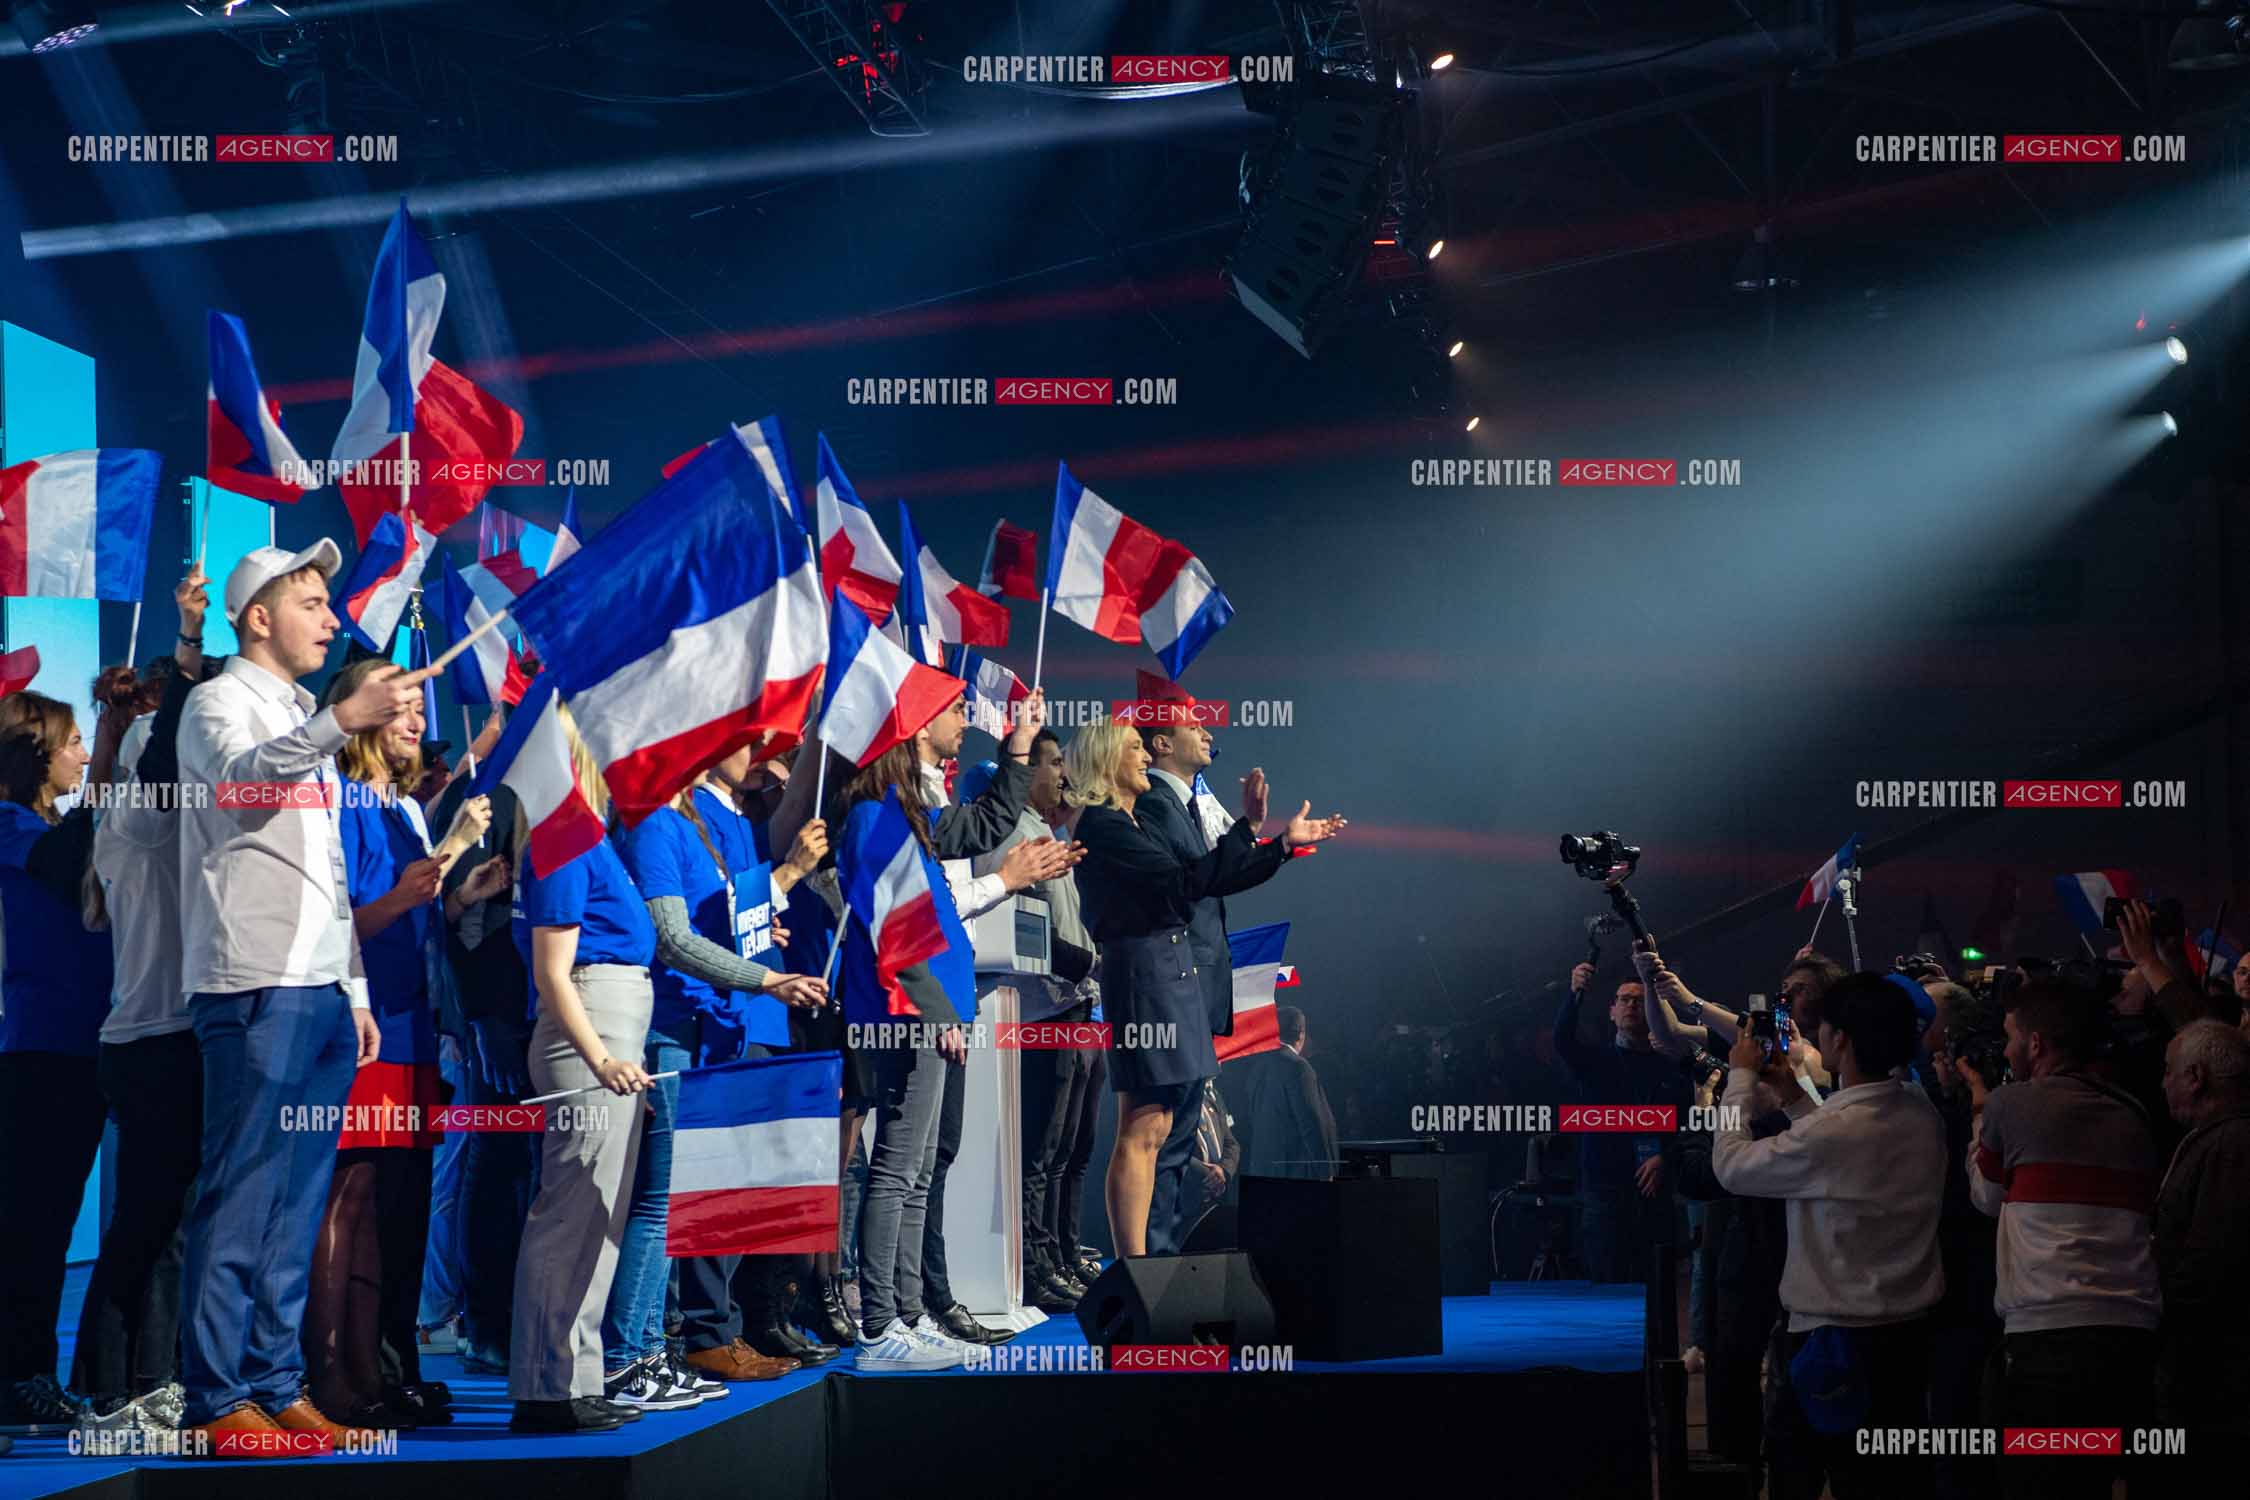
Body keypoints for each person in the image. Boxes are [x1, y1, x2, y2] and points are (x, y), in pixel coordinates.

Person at [173, 540, 419, 1448]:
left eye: (328, 601)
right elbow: (243, 783)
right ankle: (215, 1396)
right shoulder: (216, 702)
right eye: (312, 602)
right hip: (251, 982)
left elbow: (326, 870)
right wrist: (336, 722)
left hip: (317, 986)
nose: (331, 617)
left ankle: (277, 1384)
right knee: (241, 1191)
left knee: (298, 1198)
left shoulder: (303, 722)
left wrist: (353, 985)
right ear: (258, 617)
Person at [308, 657, 506, 1430]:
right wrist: (419, 885)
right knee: (349, 1201)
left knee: (396, 1211)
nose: (418, 721)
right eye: (402, 707)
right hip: (368, 1032)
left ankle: (381, 1371)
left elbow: (413, 921)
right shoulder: (344, 801)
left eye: (420, 706)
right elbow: (345, 924)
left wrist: (457, 900)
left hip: (416, 1032)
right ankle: (333, 1374)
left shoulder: (403, 808)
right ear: (358, 714)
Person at [1065, 720, 1344, 1259]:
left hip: (1166, 974)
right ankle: (1136, 1269)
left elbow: (1195, 878)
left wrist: (1274, 843)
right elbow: (1185, 881)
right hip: (1145, 979)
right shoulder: (1104, 824)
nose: (1143, 756)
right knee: (1144, 1126)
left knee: (1160, 1124)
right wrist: (1257, 837)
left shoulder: (1126, 821)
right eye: (1132, 750)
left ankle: (1149, 1266)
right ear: (1105, 762)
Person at [612, 746, 830, 1395]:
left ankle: (681, 1341)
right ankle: (647, 1349)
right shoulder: (658, 821)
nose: (762, 754)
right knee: (665, 1202)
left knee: (718, 1193)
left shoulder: (719, 820)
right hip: (684, 1026)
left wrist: (763, 930)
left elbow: (729, 917)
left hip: (731, 1020)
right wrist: (786, 882)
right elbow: (674, 937)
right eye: (745, 739)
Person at [71, 569, 217, 1438]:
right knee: (147, 1222)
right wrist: (190, 642)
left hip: (165, 1037)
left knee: (160, 1220)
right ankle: (120, 1387)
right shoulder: (137, 809)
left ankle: (135, 1380)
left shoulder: (147, 808)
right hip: (151, 1040)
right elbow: (166, 758)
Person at [1712, 972, 1946, 1499]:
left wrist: (1740, 1081)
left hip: (1834, 1339)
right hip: (1907, 1337)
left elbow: (1732, 1167)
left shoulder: (1836, 1132)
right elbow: (1835, 1147)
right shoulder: (1918, 1110)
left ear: (1840, 1038)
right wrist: (1794, 1095)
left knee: (1809, 1474)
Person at [507, 703, 661, 1435]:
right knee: (571, 1214)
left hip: (613, 1024)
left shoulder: (589, 835)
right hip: (589, 1031)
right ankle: (543, 1384)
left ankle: (577, 1374)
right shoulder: (563, 838)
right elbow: (553, 972)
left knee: (598, 1217)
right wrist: (600, 1058)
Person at [1957, 977, 2161, 1500]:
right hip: (2132, 1337)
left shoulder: (2011, 1104)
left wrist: (1980, 1110)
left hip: (2048, 1336)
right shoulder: (2134, 1113)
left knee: (2040, 1479)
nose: (2004, 1049)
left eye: (2010, 1037)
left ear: (2036, 1044)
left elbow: (1987, 1195)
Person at [913, 735, 1078, 1345]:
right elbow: (939, 909)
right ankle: (906, 1306)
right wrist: (1007, 880)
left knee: (941, 1157)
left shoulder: (941, 816)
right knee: (906, 1170)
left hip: (961, 1001)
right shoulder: (910, 816)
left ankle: (929, 1297)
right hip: (924, 1007)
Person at [0, 682, 124, 1431]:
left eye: (86, 742)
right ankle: (20, 1378)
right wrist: (109, 760)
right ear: (35, 753)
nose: (80, 753)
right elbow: (59, 860)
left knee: (48, 1217)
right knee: (33, 1224)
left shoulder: (46, 821)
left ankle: (32, 1374)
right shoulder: (10, 825)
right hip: (40, 1046)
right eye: (73, 742)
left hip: (84, 1041)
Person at [964, 733, 1105, 1314]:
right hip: (1039, 1005)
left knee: (1071, 1147)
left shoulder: (1053, 832)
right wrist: (1080, 958)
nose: (1063, 774)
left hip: (1074, 1001)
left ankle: (1060, 1251)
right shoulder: (1011, 833)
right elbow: (1018, 919)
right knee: (1041, 1149)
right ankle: (1037, 1262)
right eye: (1052, 763)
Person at [1127, 710, 1267, 1253]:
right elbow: (1197, 880)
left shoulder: (1183, 803)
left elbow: (1217, 876)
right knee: (1162, 1133)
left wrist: (1271, 843)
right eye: (1194, 726)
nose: (1209, 734)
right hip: (1173, 982)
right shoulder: (1159, 804)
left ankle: (1166, 1259)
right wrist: (1252, 834)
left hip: (1191, 981)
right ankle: (1155, 1262)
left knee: (1177, 1130)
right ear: (1162, 742)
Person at [2151, 1019, 2250, 1497]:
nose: (2162, 1082)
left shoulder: (2232, 1146)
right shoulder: (2221, 1139)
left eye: (2169, 1071)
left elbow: (2213, 1260)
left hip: (2215, 1378)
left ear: (2196, 1077)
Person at [1554, 960, 1688, 1284]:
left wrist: (1666, 1158)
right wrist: (1575, 994)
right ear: (1612, 1011)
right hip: (1605, 1194)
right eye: (1624, 1000)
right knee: (1607, 1292)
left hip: (1654, 1193)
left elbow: (1690, 1126)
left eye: (1640, 1001)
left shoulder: (1672, 1066)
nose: (1631, 1006)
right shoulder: (1596, 1061)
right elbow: (1562, 1040)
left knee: (1656, 1290)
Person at [1226, 1005, 1338, 1182]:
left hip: (1264, 1171)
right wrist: (1325, 1170)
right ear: (1301, 1034)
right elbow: (1310, 1122)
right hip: (1296, 1174)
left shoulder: (1258, 1068)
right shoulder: (1298, 1067)